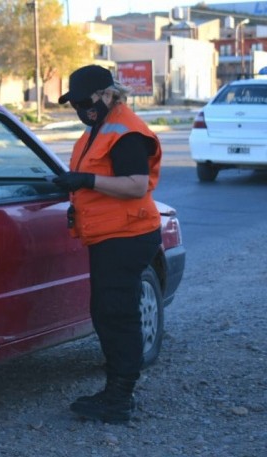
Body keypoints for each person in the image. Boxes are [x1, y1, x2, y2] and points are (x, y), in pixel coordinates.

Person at [52, 65, 163, 424]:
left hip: (127, 236)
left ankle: (119, 397)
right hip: (111, 236)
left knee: (116, 315)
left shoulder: (126, 133)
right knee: (108, 313)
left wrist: (85, 179)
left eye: (85, 101)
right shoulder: (100, 128)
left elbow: (135, 185)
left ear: (106, 94)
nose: (80, 108)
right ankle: (116, 390)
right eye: (75, 103)